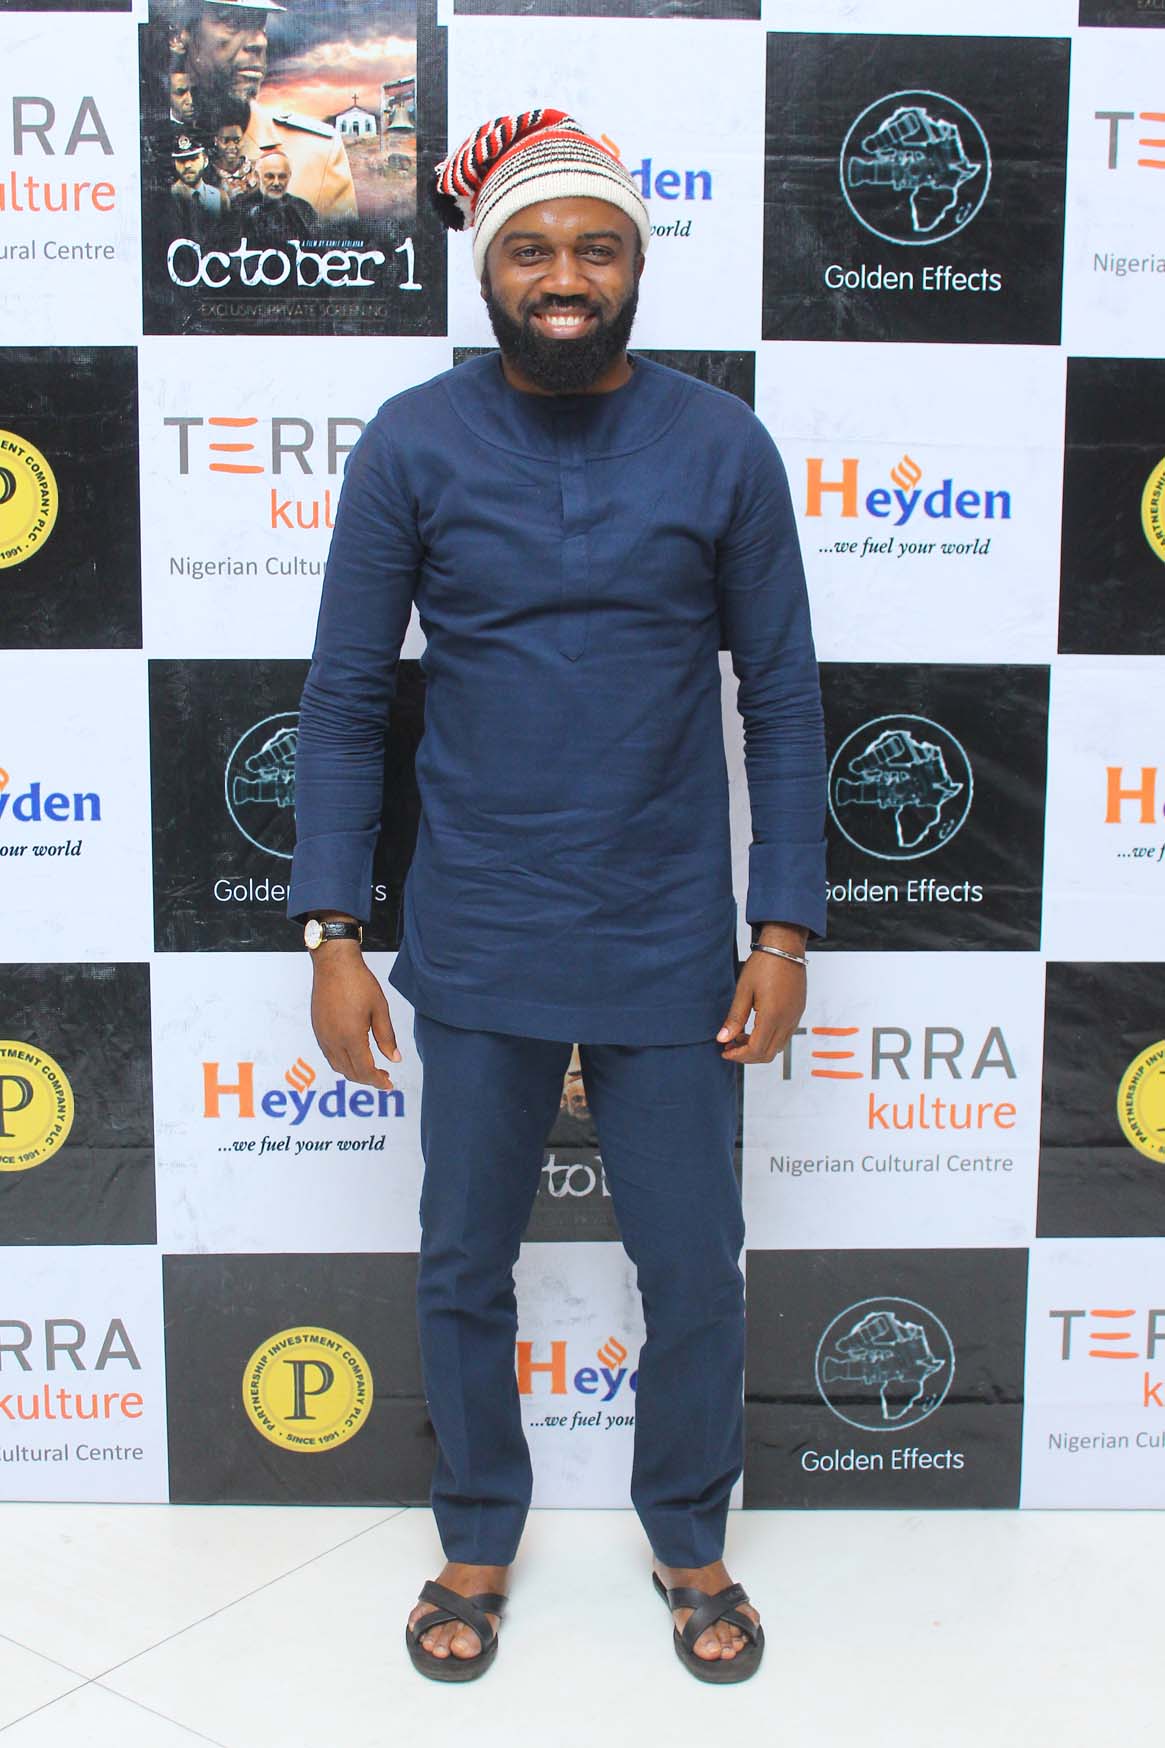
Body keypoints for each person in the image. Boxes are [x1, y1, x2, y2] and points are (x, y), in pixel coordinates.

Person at [287, 108, 827, 1685]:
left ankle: (689, 1537)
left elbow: (785, 704)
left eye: (595, 246)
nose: (564, 275)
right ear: (488, 271)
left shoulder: (721, 446)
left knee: (693, 1271)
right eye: (531, 249)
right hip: (477, 928)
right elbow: (343, 702)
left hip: (669, 936)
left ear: (637, 266)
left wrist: (782, 927)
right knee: (463, 1259)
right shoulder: (413, 442)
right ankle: (475, 1533)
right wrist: (334, 931)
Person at [179, 0, 357, 221]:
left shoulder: (317, 153)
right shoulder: (147, 145)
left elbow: (340, 242)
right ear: (182, 33)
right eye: (231, 21)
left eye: (260, 26)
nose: (259, 42)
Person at [233, 147, 316, 239]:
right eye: (270, 176)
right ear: (257, 176)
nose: (276, 183)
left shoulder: (303, 208)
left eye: (282, 176)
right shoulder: (239, 206)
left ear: (289, 176)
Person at [203, 97, 259, 203]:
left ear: (243, 139)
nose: (232, 146)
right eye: (226, 141)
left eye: (237, 140)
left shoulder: (256, 171)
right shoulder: (207, 175)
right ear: (216, 140)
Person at [169, 133, 227, 232]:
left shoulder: (220, 197)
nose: (187, 165)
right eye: (181, 160)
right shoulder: (169, 197)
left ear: (205, 160)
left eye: (193, 158)